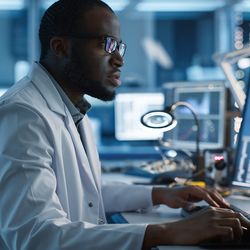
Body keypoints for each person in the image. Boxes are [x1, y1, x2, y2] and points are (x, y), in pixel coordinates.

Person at [0, 0, 249, 249]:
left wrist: (159, 194)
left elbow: (87, 196)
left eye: (119, 46)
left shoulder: (72, 108)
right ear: (61, 47)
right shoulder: (24, 115)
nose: (119, 59)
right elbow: (34, 236)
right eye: (106, 45)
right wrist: (168, 232)